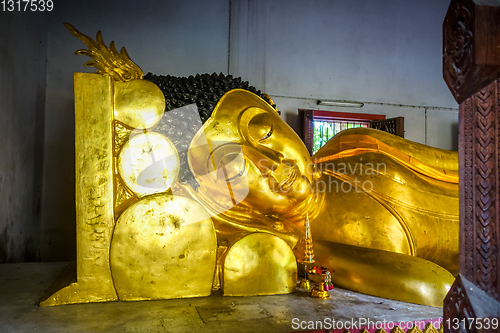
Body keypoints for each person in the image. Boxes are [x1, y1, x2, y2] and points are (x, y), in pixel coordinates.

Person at [179, 89, 458, 307]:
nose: (272, 163)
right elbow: (440, 289)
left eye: (264, 131)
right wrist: (298, 248)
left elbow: (461, 163)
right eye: (235, 171)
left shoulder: (350, 145)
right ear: (241, 209)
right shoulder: (316, 250)